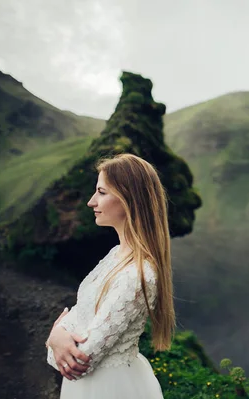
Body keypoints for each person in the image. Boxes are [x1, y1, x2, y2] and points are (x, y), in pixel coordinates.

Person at [45, 153, 175, 398]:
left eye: (102, 192)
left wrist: (55, 336)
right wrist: (58, 336)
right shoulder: (115, 254)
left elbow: (81, 359)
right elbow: (81, 314)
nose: (91, 202)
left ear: (129, 200)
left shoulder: (138, 275)